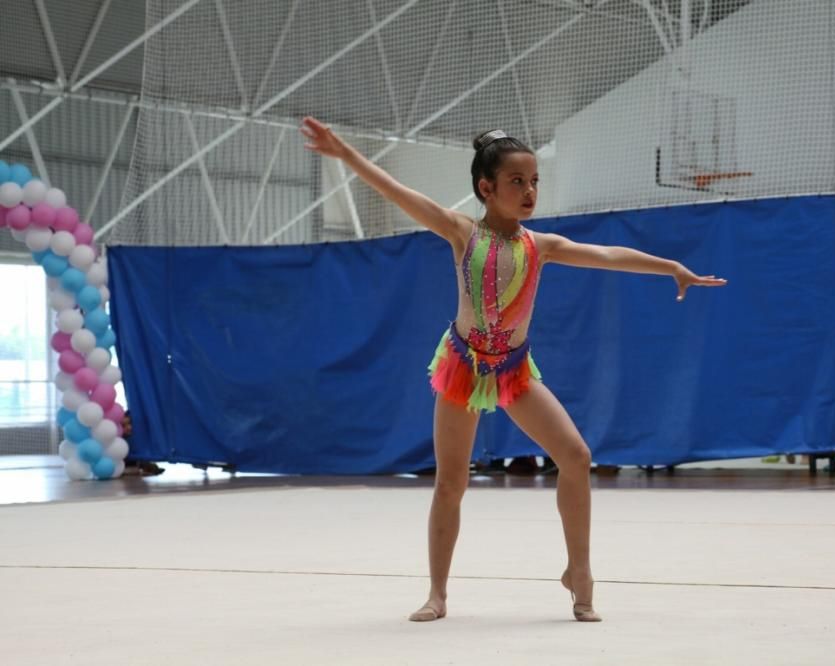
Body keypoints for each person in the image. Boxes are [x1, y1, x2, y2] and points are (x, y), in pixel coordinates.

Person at [300, 119, 727, 622]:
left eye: (534, 182)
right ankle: (437, 592)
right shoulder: (462, 232)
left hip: (513, 369)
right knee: (451, 482)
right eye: (517, 182)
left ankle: (580, 573)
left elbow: (609, 255)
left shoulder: (539, 246)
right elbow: (398, 192)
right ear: (487, 188)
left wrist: (670, 267)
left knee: (576, 454)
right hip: (463, 365)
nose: (529, 192)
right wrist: (345, 153)